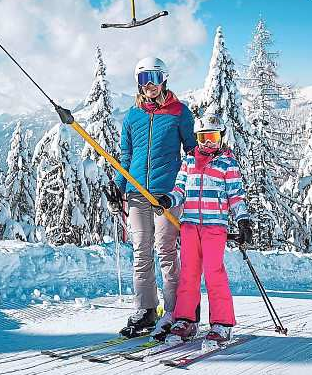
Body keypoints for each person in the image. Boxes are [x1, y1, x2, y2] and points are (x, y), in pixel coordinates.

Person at [108, 57, 197, 338]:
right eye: (143, 78)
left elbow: (191, 153)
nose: (149, 85)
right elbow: (126, 156)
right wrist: (119, 187)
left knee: (166, 251)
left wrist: (190, 184)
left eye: (154, 78)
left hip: (166, 195)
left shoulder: (180, 112)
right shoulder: (132, 116)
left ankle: (176, 312)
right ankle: (146, 309)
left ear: (164, 80)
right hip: (136, 193)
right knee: (141, 251)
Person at [156, 113, 253, 342]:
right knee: (188, 275)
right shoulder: (188, 162)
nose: (207, 143)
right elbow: (179, 190)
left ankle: (222, 323)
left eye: (211, 137)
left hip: (214, 228)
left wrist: (243, 220)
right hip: (189, 227)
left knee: (213, 273)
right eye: (202, 137)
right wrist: (168, 200)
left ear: (221, 137)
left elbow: (236, 197)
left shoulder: (227, 164)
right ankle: (186, 321)